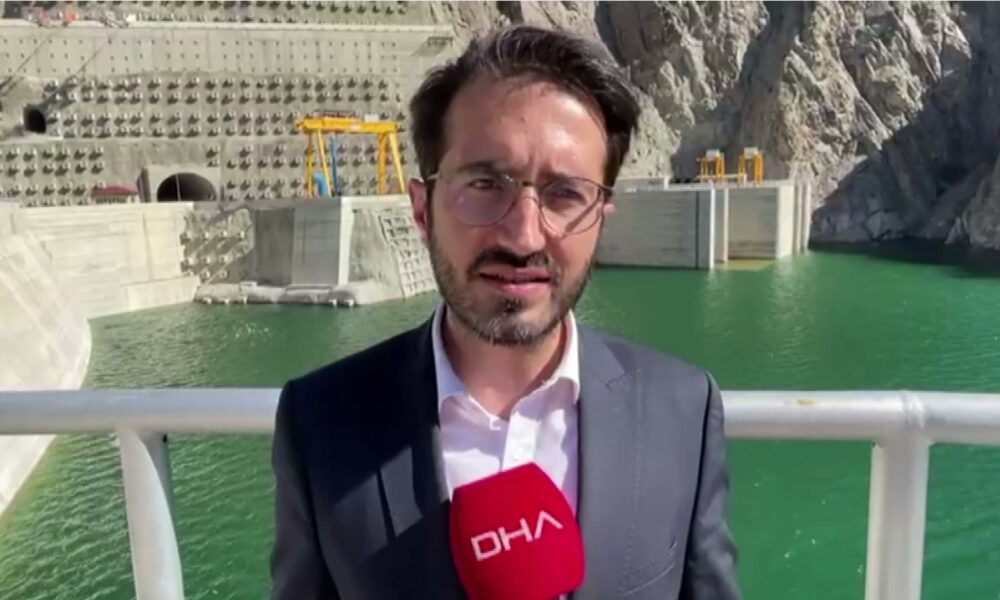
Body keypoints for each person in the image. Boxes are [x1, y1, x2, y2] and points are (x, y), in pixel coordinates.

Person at [271, 24, 741, 600]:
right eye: (485, 184)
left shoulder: (682, 409)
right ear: (422, 209)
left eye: (565, 193)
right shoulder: (320, 422)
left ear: (600, 218)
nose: (523, 236)